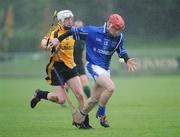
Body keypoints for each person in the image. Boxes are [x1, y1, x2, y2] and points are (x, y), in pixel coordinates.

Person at [50, 13, 137, 128]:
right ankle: (101, 113)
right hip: (93, 66)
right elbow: (72, 31)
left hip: (105, 70)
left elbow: (121, 50)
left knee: (94, 99)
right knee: (111, 87)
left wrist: (127, 59)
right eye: (117, 30)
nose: (118, 33)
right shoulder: (92, 31)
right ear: (110, 25)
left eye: (120, 30)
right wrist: (58, 39)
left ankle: (79, 119)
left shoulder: (119, 37)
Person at [30, 10, 92, 129]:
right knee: (61, 100)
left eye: (71, 18)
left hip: (71, 66)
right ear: (61, 20)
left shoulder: (74, 31)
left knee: (80, 95)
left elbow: (88, 35)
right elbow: (43, 43)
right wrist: (47, 45)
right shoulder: (54, 32)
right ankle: (40, 94)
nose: (70, 21)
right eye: (67, 19)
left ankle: (83, 122)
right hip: (57, 68)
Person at [73, 20, 91, 98]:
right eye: (77, 26)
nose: (79, 28)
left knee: (85, 82)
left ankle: (90, 99)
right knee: (66, 85)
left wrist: (84, 62)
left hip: (79, 64)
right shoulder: (70, 37)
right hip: (70, 64)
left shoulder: (83, 39)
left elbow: (84, 52)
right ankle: (61, 102)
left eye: (81, 26)